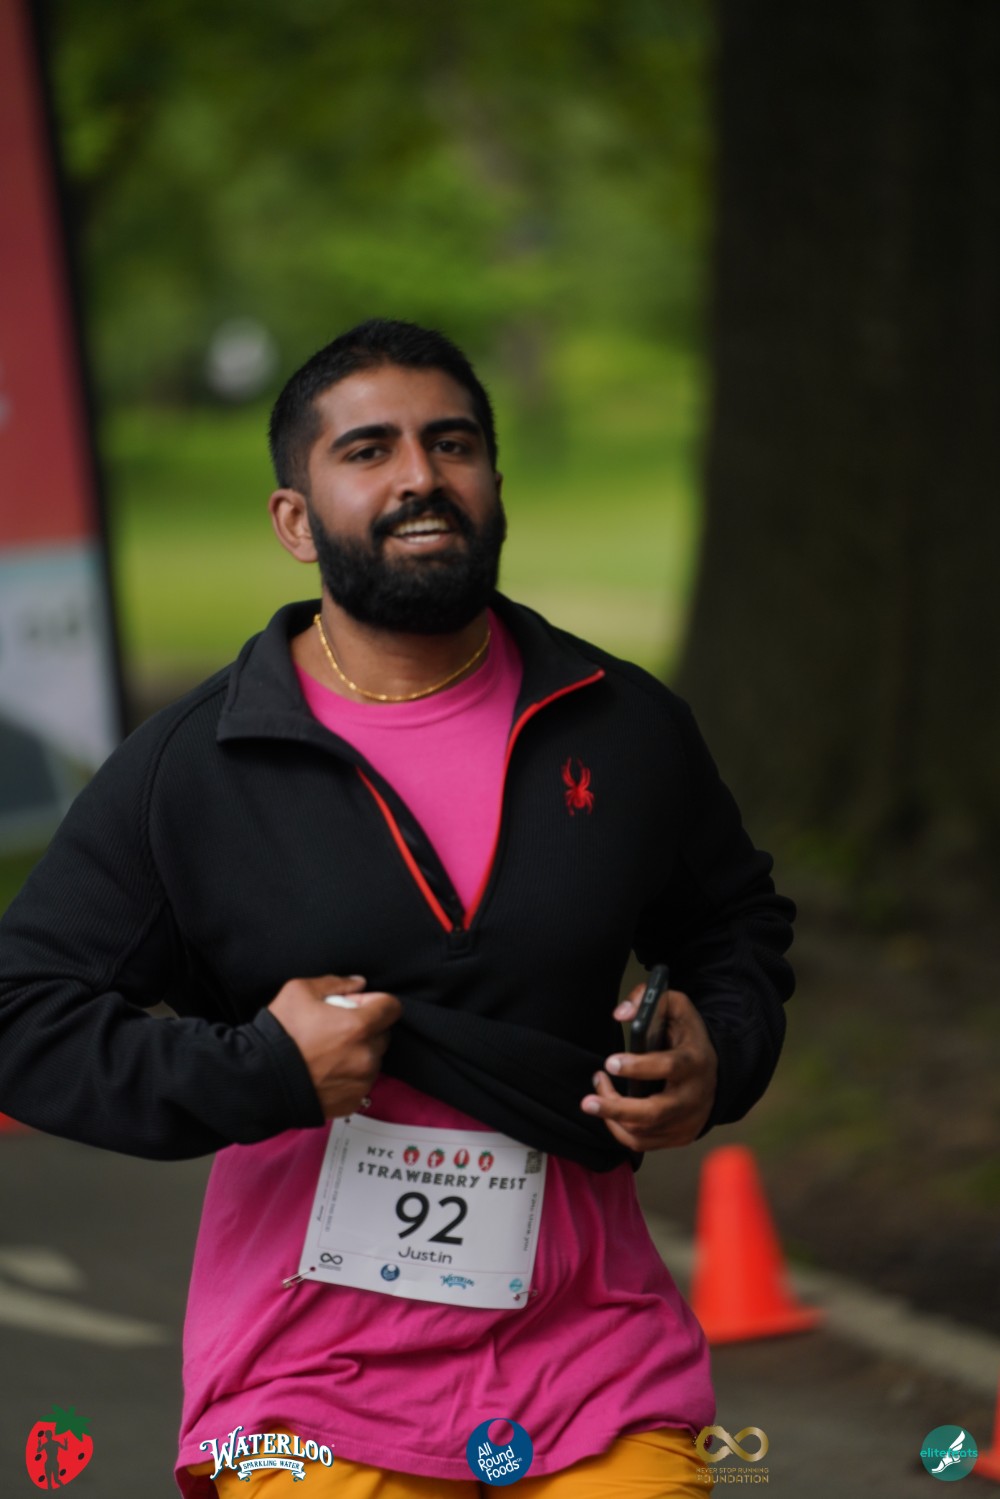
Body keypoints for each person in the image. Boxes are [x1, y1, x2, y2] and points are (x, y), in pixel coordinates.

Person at [0, 318, 795, 1497]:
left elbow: (732, 927)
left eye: (452, 442)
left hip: (591, 1358)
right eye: (368, 449)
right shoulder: (196, 767)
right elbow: (21, 1012)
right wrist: (263, 1069)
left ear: (494, 484)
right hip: (305, 1379)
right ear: (294, 519)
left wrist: (716, 1051)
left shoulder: (621, 723)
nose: (420, 474)